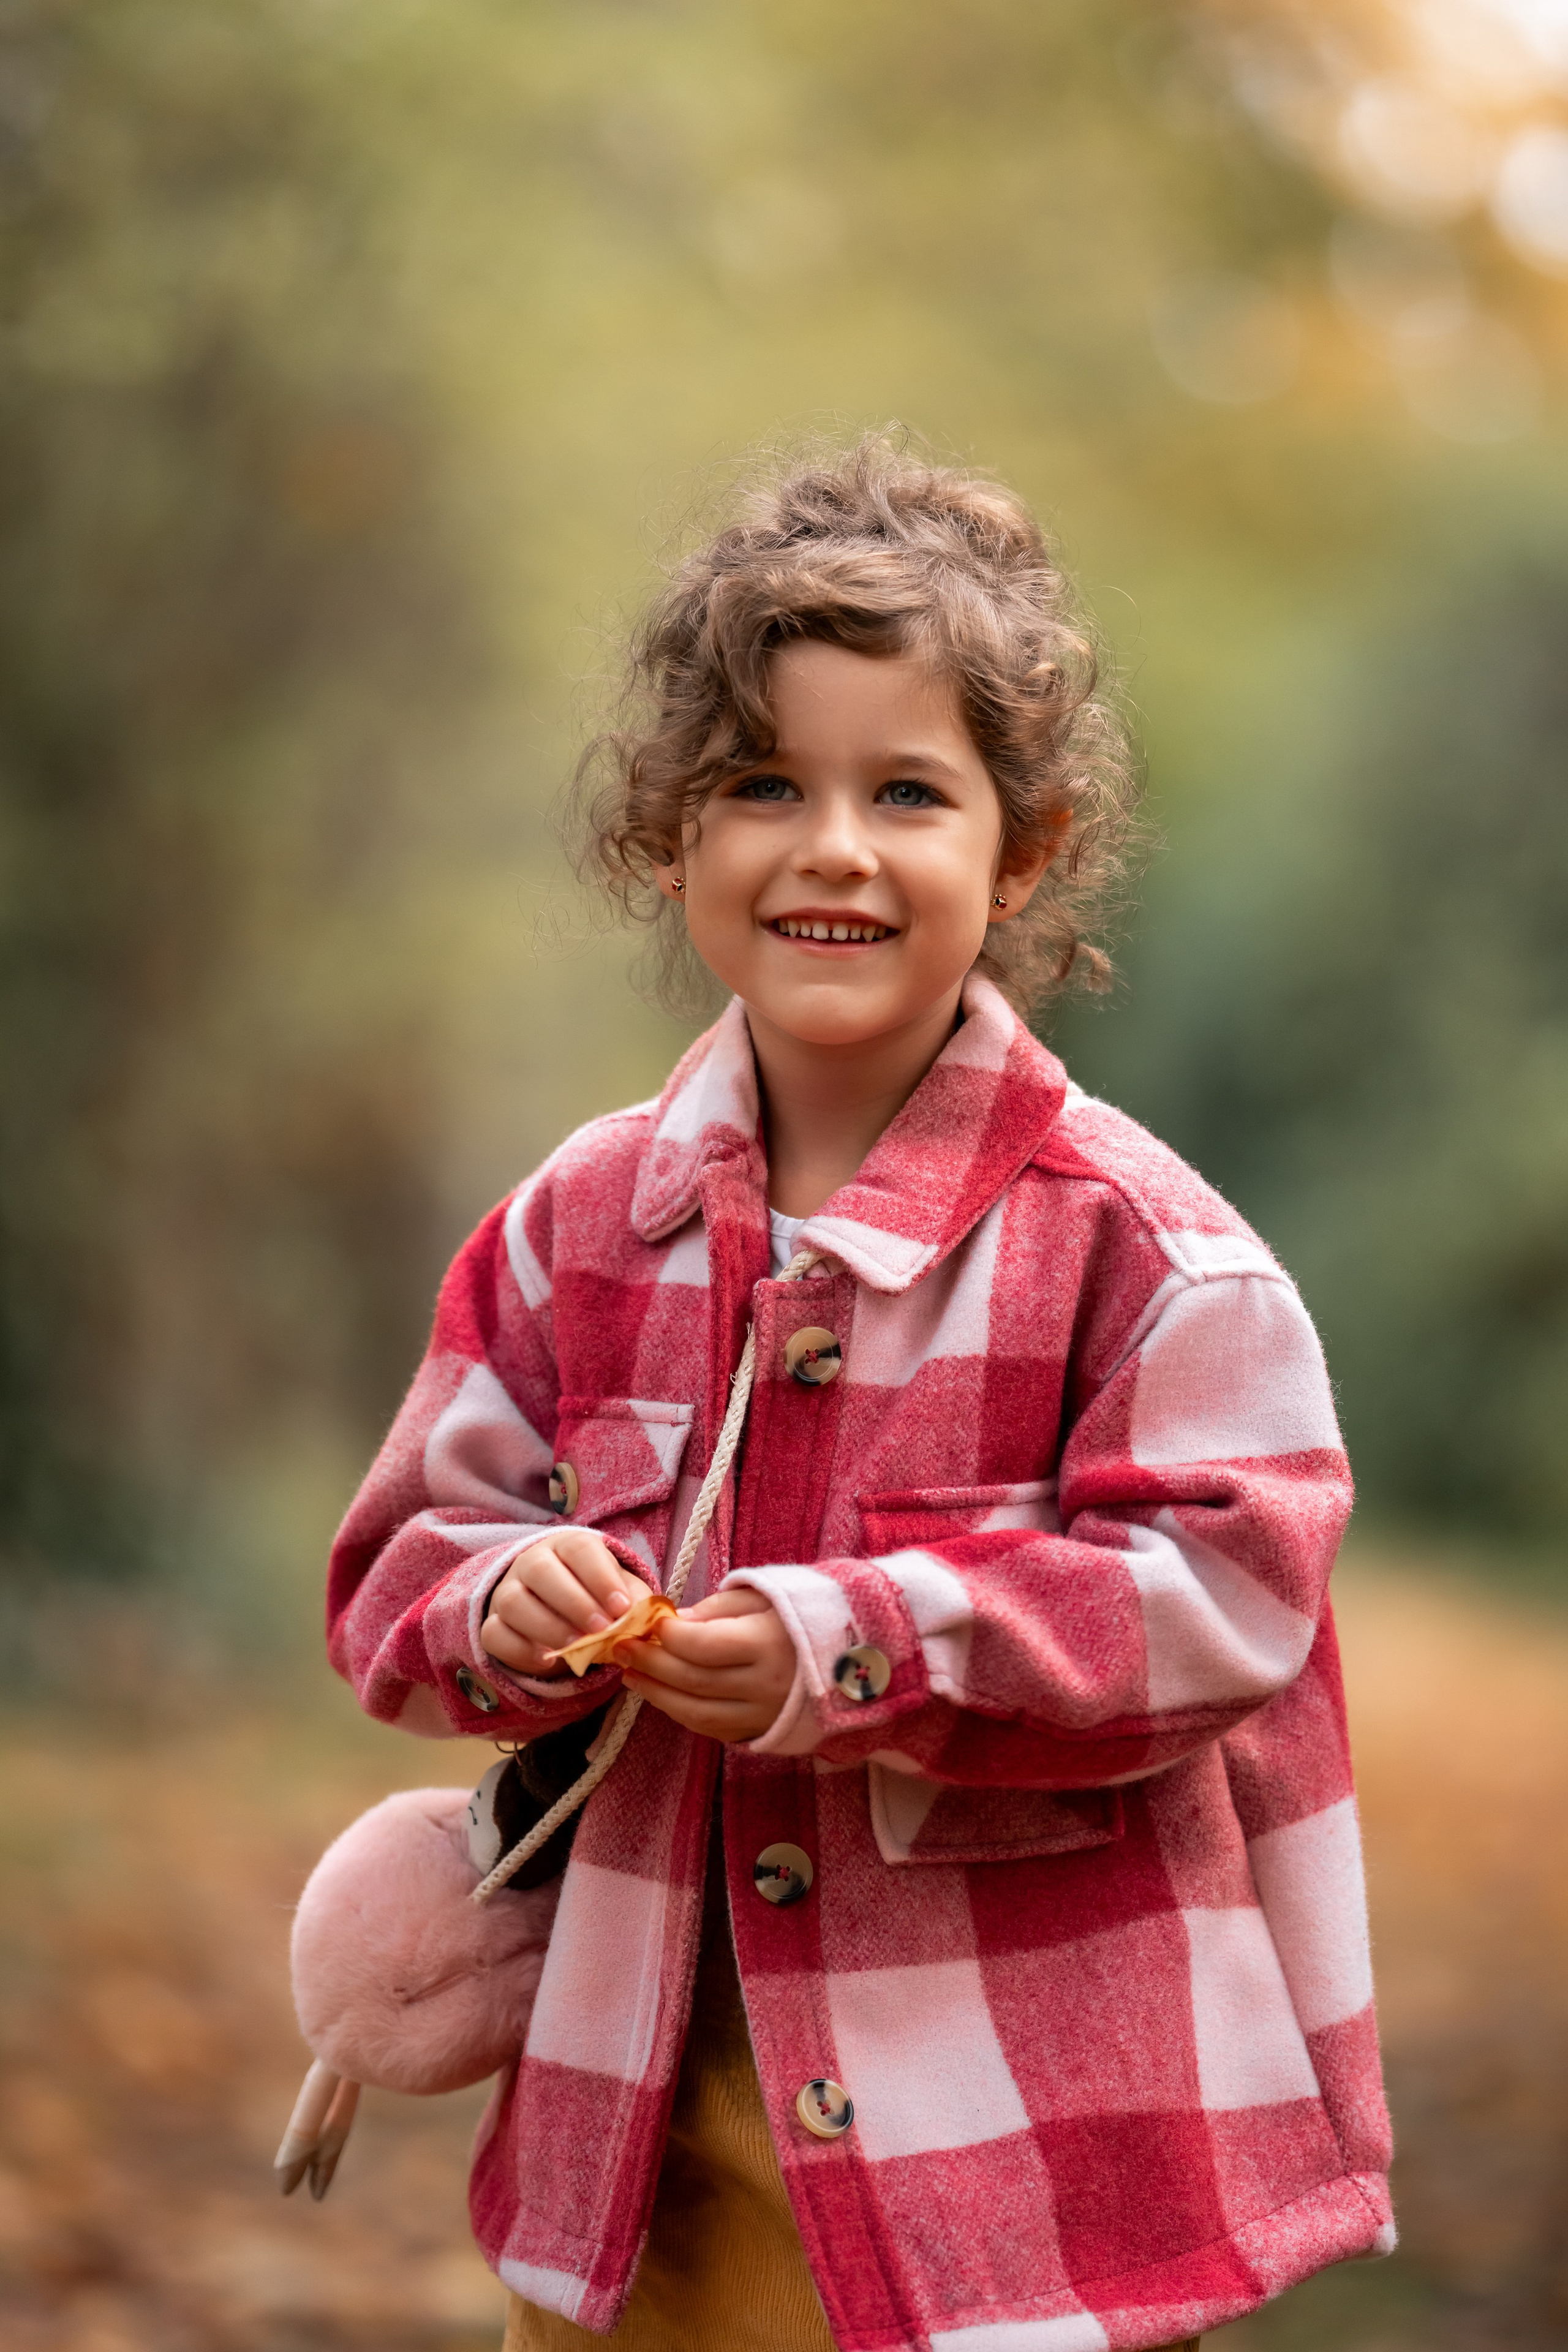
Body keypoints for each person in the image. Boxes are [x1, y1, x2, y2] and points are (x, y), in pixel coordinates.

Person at [326, 438, 1393, 2352]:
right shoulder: (578, 1228)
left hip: (1018, 2188)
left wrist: (864, 1642)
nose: (831, 845)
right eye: (761, 785)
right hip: (641, 2153)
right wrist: (507, 1602)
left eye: (906, 789)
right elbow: (406, 1558)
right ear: (672, 841)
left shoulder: (1145, 1253)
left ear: (1022, 851)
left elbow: (1230, 1597)